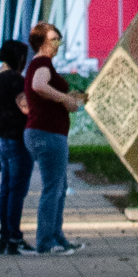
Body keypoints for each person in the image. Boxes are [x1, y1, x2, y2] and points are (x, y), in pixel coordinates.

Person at [17, 21, 85, 255]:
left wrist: (67, 102)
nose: (57, 44)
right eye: (53, 39)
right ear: (41, 42)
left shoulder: (39, 64)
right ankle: (46, 241)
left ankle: (57, 236)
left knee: (59, 186)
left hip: (45, 132)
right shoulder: (42, 63)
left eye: (58, 39)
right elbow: (39, 86)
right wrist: (64, 99)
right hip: (47, 133)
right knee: (52, 188)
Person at [0, 46, 34, 253]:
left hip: (1, 138)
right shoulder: (15, 80)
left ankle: (5, 237)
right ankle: (14, 237)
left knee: (6, 189)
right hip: (17, 137)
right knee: (17, 190)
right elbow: (25, 107)